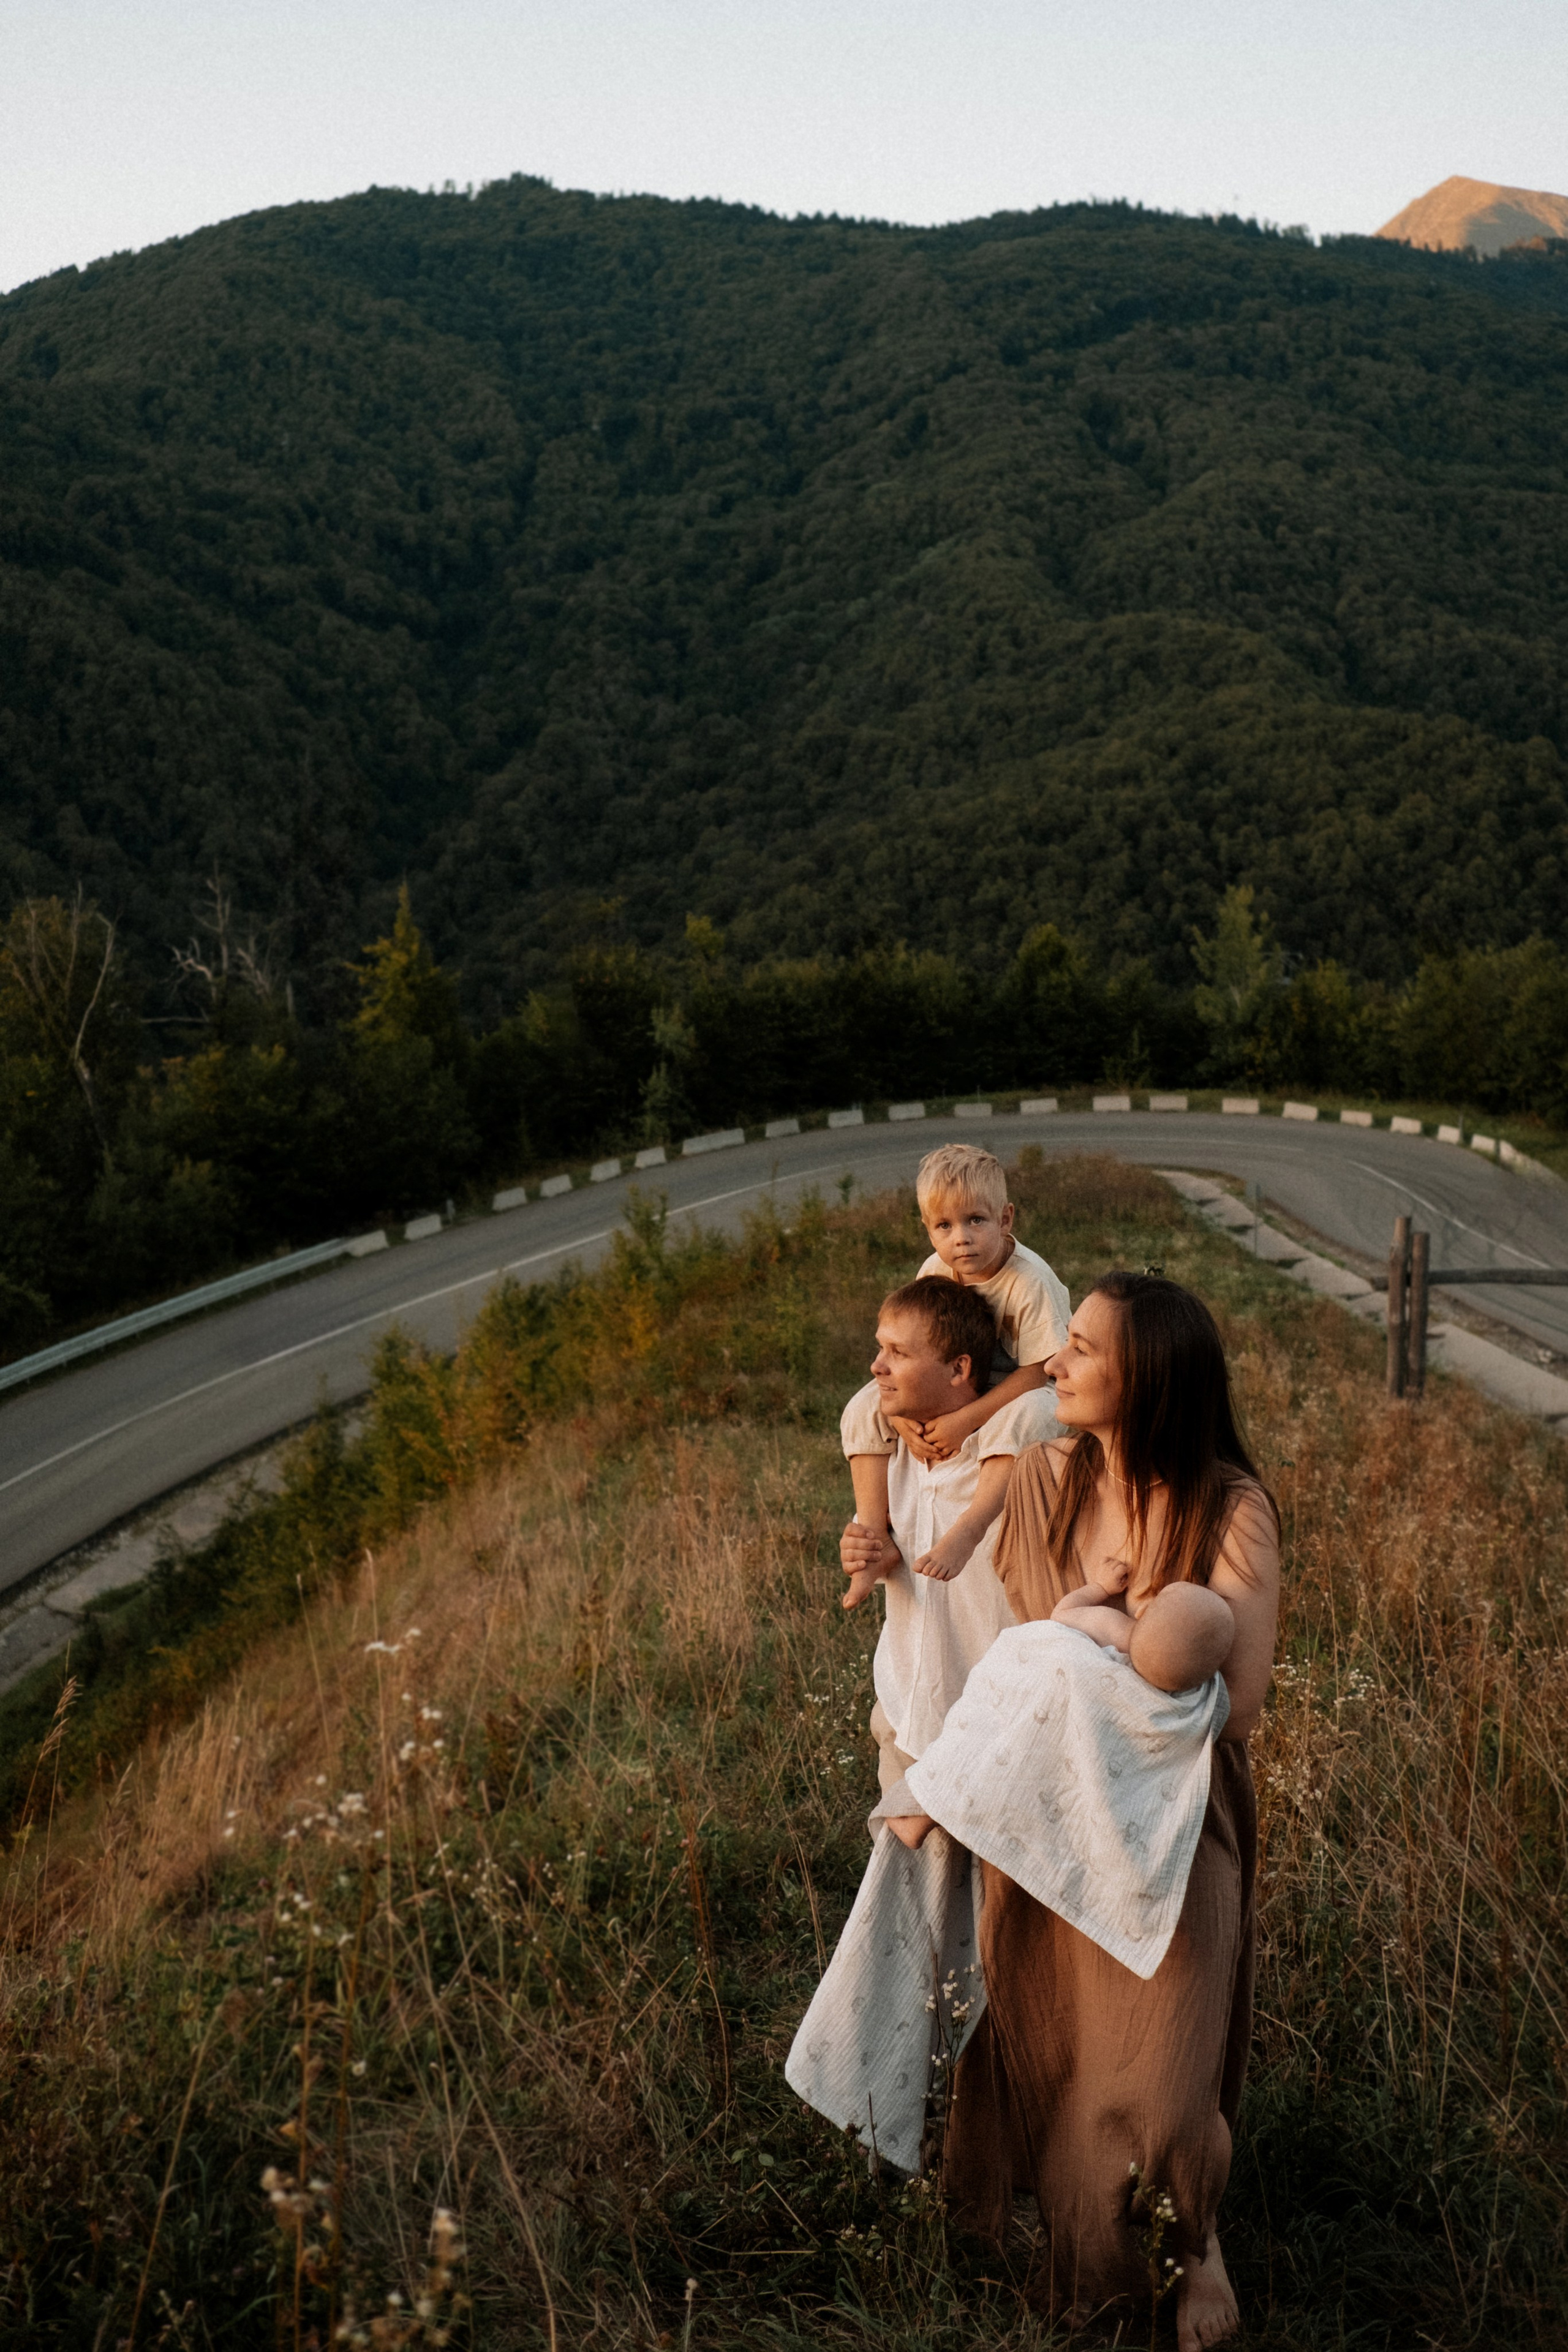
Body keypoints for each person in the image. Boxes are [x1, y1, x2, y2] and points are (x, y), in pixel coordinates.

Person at [942, 1272, 1280, 2352]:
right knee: (1065, 2059)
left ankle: (1197, 2233)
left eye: (1085, 1350)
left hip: (1176, 1812)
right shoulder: (1042, 1478)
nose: (1059, 1364)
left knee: (1168, 2088)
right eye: (1065, 1342)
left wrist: (1132, 1641)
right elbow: (1023, 1649)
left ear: (1151, 1378)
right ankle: (1138, 2249)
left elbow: (1243, 1710)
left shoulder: (1228, 1505)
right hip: (1056, 1804)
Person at [838, 1276, 1058, 1795]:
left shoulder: (1022, 1458)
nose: (877, 1366)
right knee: (908, 1869)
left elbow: (1044, 1406)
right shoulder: (890, 1444)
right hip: (906, 1711)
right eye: (879, 1348)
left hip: (998, 1731)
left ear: (961, 1369)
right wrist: (869, 1543)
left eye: (897, 1353)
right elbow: (864, 1408)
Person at [840, 1144, 1069, 1610]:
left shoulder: (1031, 1282)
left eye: (975, 1221)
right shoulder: (936, 1269)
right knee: (864, 1405)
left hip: (1026, 1387)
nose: (960, 1238)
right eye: (944, 1226)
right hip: (957, 1380)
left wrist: (967, 1421)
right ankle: (874, 1533)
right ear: (928, 1230)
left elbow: (1040, 1372)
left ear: (1006, 1220)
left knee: (1029, 1416)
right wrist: (902, 1419)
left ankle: (970, 1527)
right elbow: (913, 1343)